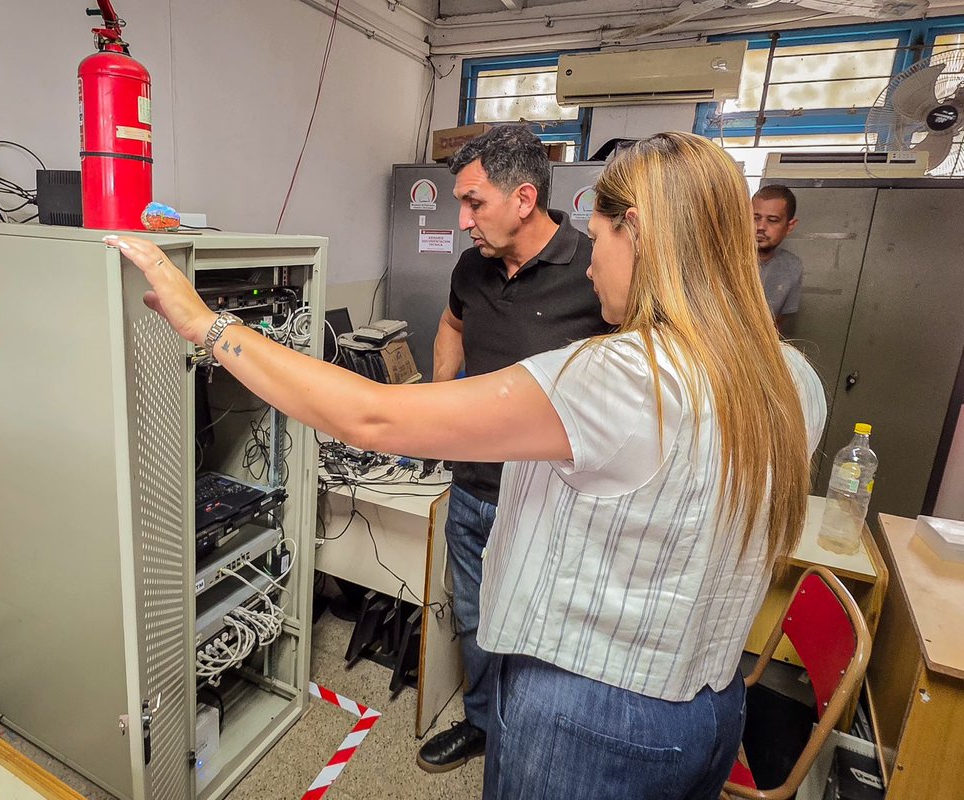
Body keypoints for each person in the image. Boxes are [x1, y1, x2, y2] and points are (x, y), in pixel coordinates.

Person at [106, 130, 826, 800]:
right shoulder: (790, 378)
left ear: (636, 229)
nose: (597, 257)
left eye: (603, 235)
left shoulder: (624, 377)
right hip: (708, 711)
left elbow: (373, 415)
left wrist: (206, 324)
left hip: (588, 716)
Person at [426, 124, 608, 773]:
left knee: (544, 628)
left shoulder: (593, 268)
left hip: (554, 500)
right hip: (474, 488)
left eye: (474, 202)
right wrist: (439, 397)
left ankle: (529, 741)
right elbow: (452, 323)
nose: (463, 217)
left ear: (524, 198)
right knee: (476, 618)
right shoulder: (471, 267)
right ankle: (481, 723)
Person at [753, 184, 803, 330]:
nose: (761, 227)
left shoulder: (792, 267)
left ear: (790, 226)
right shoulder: (720, 258)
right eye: (755, 218)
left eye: (772, 220)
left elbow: (776, 325)